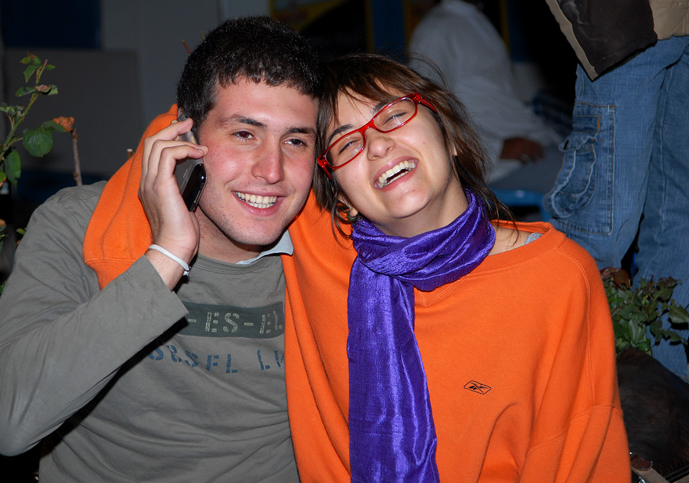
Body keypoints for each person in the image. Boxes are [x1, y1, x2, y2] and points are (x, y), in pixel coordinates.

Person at [0, 16, 321, 482]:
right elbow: (4, 424)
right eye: (244, 134)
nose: (272, 170)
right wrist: (167, 256)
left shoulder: (331, 251)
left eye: (295, 141)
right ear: (185, 137)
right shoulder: (80, 225)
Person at [281, 53, 630, 481]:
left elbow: (579, 462)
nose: (376, 144)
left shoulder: (556, 279)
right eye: (347, 144)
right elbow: (224, 131)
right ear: (342, 199)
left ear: (449, 136)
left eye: (394, 115)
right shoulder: (319, 245)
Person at [544, 0, 689, 379]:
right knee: (598, 233)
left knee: (680, 220)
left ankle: (662, 399)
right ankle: (564, 397)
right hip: (627, 19)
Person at [408, 0, 563, 193]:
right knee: (587, 176)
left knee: (588, 161)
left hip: (530, 142)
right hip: (501, 164)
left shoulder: (473, 19)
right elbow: (427, 105)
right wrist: (496, 148)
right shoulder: (437, 28)